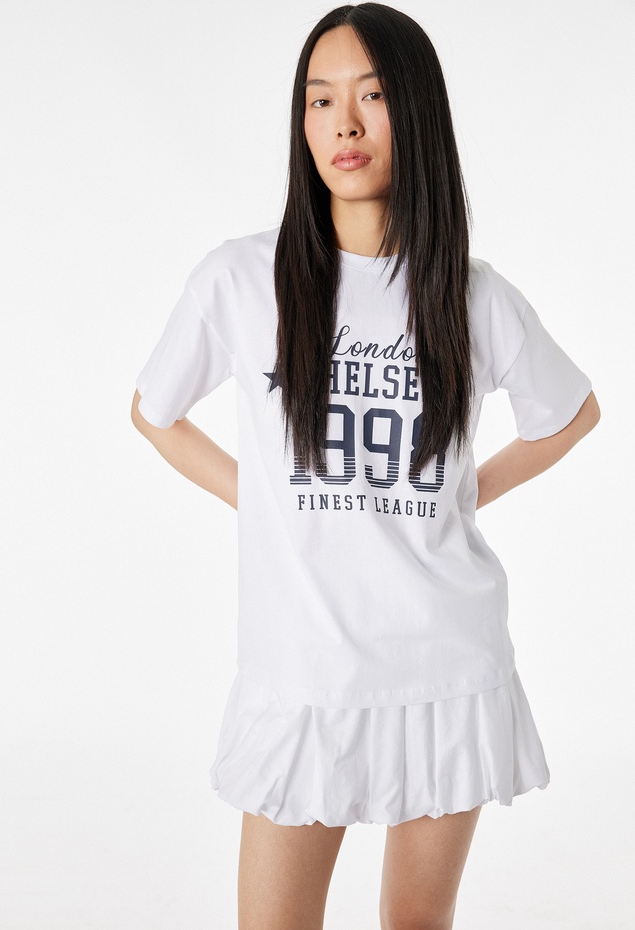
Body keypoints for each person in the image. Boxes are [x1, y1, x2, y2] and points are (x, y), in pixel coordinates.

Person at [130, 4, 600, 928]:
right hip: (303, 678)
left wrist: (470, 491)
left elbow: (572, 414)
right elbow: (154, 413)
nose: (343, 123)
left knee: (415, 923)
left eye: (372, 96)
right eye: (320, 100)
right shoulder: (240, 280)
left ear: (414, 111)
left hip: (445, 669)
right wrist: (263, 499)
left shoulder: (470, 294)